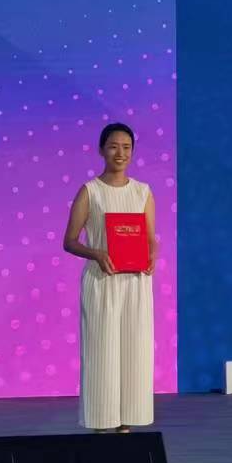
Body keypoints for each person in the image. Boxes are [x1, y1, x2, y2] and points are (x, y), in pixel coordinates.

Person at [63, 121, 157, 433]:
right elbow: (70, 241)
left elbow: (150, 239)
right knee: (102, 353)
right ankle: (101, 426)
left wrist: (152, 257)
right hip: (102, 282)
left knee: (134, 351)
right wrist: (96, 253)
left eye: (127, 147)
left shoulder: (142, 192)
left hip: (135, 284)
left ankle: (127, 426)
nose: (120, 153)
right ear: (101, 150)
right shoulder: (90, 191)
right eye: (114, 146)